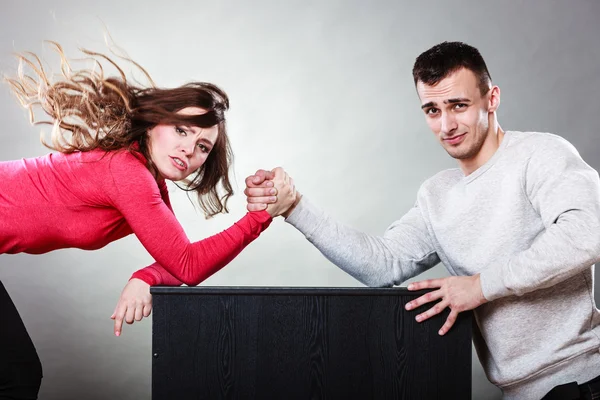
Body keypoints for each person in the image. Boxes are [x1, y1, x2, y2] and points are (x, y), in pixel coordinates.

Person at [245, 42, 600, 400]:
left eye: (458, 105)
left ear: (491, 99)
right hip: (517, 394)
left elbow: (587, 233)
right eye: (432, 110)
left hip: (584, 381)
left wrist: (480, 287)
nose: (446, 125)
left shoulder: (540, 155)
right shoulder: (437, 195)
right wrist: (295, 208)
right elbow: (381, 265)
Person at [0, 42, 295, 400]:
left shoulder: (143, 175)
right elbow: (188, 265)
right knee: (17, 376)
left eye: (203, 146)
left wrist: (147, 276)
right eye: (182, 130)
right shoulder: (128, 173)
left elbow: (177, 260)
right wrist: (260, 217)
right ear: (155, 123)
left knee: (16, 374)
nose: (190, 149)